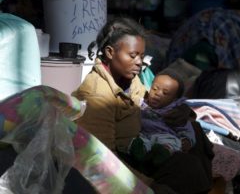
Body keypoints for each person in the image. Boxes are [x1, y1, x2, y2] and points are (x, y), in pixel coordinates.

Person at [72, 17, 214, 194]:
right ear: (110, 52)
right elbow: (102, 158)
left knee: (196, 131)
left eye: (141, 55)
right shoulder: (97, 96)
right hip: (124, 161)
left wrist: (183, 112)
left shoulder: (129, 79)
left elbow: (152, 102)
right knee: (187, 167)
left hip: (146, 145)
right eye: (133, 55)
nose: (139, 62)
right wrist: (148, 186)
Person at [129, 69, 196, 167]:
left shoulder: (175, 112)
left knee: (172, 142)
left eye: (165, 93)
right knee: (138, 141)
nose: (158, 93)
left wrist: (187, 141)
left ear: (174, 99)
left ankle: (163, 153)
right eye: (155, 89)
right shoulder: (143, 103)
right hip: (145, 135)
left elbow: (187, 130)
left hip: (164, 136)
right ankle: (140, 152)